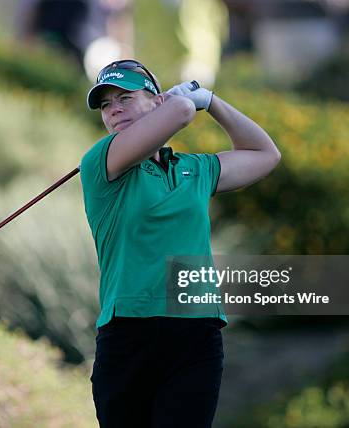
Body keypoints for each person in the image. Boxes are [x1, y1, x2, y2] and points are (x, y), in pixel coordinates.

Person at [80, 60, 281, 428]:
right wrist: (183, 100)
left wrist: (213, 101)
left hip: (196, 333)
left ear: (154, 101)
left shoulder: (195, 170)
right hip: (129, 334)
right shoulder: (103, 160)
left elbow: (265, 155)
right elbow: (183, 111)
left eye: (125, 97)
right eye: (106, 105)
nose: (114, 110)